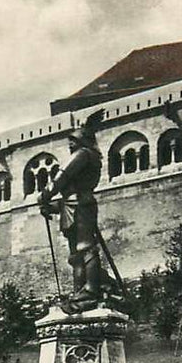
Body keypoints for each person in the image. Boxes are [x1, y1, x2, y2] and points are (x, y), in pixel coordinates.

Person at [38, 108, 118, 314]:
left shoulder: (83, 154)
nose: (70, 144)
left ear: (82, 140)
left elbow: (63, 177)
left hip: (81, 205)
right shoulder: (87, 155)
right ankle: (79, 291)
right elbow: (68, 196)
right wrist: (53, 207)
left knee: (85, 247)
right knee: (76, 255)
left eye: (73, 140)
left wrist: (46, 194)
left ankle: (90, 290)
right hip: (74, 205)